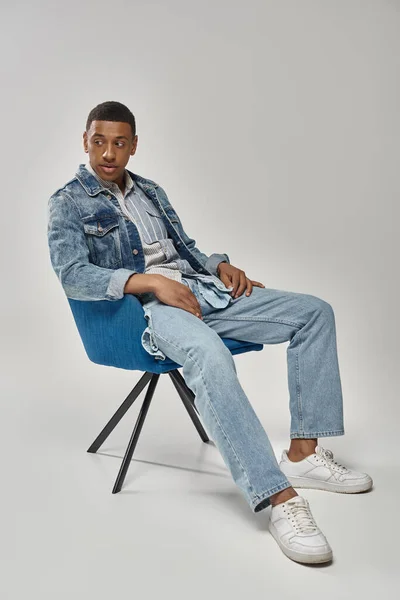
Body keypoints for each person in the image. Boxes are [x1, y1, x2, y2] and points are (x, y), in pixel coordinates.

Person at [47, 100, 373, 565]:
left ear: (134, 146)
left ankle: (302, 455)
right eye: (99, 141)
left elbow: (186, 249)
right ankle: (277, 497)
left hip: (199, 292)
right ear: (85, 141)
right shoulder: (68, 201)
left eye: (119, 143)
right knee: (211, 355)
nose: (108, 153)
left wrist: (218, 265)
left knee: (314, 313)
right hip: (142, 312)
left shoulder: (150, 192)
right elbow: (72, 274)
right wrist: (148, 282)